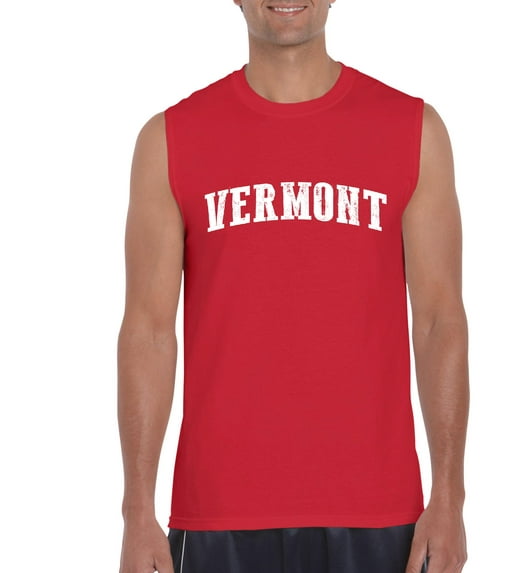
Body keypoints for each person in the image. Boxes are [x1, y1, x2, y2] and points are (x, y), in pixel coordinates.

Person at [117, 1, 470, 572]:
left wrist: (449, 498)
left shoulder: (412, 130)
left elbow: (439, 322)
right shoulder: (170, 140)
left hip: (376, 512)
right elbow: (148, 333)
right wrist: (137, 512)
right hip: (220, 512)